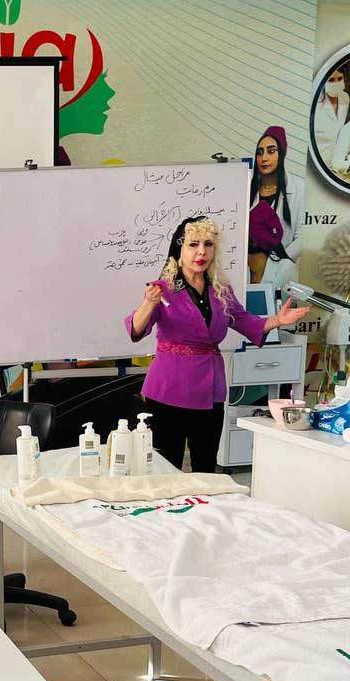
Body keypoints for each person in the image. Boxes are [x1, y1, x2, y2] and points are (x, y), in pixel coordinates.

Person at [126, 216, 310, 472]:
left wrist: (277, 320)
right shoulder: (163, 289)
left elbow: (245, 321)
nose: (201, 251)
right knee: (166, 470)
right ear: (179, 249)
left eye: (208, 244)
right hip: (168, 389)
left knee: (205, 466)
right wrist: (148, 303)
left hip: (209, 389)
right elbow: (136, 329)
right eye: (193, 244)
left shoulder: (220, 289)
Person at [247, 126, 305, 289]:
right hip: (248, 272)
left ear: (282, 153)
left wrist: (283, 259)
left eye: (271, 151)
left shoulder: (299, 188)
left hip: (279, 273)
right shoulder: (246, 186)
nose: (264, 158)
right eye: (260, 152)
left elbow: (303, 236)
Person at [314, 63, 350, 166]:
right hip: (319, 161)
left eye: (340, 78)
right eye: (331, 80)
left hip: (338, 163)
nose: (336, 83)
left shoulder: (345, 97)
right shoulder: (316, 105)